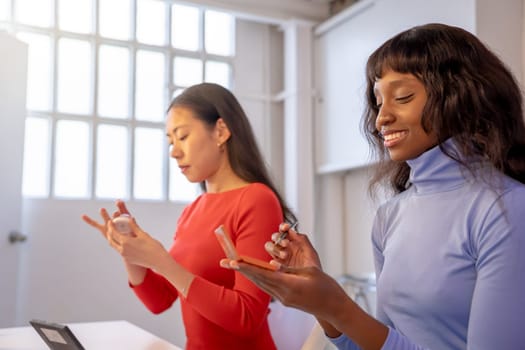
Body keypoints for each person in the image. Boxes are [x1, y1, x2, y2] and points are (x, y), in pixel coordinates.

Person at [221, 23, 525, 350]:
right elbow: (383, 343)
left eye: (403, 97)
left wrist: (337, 306)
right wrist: (320, 304)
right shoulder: (389, 216)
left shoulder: (509, 209)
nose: (381, 119)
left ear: (459, 98)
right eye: (378, 102)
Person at [82, 82, 296, 350]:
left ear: (220, 131)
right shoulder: (192, 211)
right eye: (170, 141)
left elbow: (247, 317)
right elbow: (158, 301)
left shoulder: (257, 200)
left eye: (182, 137)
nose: (173, 151)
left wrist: (163, 261)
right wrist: (131, 251)